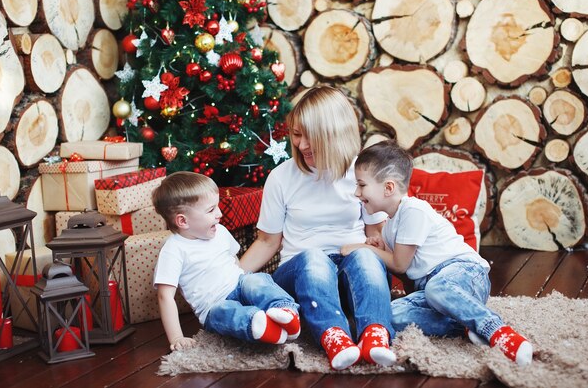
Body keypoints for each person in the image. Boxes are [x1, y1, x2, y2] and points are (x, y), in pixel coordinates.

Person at [239, 86, 396, 370]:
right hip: (301, 274)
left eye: (310, 136)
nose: (300, 145)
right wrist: (230, 279)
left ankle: (376, 334)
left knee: (364, 256)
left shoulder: (361, 174)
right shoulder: (281, 178)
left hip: (350, 273)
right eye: (296, 134)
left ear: (334, 133)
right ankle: (333, 336)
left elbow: (376, 235)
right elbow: (266, 242)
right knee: (314, 258)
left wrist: (382, 253)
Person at [343, 140, 534, 366]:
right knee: (389, 315)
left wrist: (363, 248)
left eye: (362, 185)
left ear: (388, 188)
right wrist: (380, 247)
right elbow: (407, 274)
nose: (356, 192)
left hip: (463, 274)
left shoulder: (413, 210)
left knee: (437, 288)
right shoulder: (390, 225)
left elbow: (400, 265)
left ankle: (496, 329)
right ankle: (464, 324)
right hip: (433, 291)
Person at [152, 171, 300, 352]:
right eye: (210, 210)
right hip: (213, 305)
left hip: (239, 285)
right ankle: (258, 324)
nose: (219, 214)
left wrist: (246, 285)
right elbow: (165, 296)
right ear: (183, 221)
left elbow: (234, 262)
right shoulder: (174, 250)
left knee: (256, 280)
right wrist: (176, 336)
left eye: (217, 206)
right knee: (226, 312)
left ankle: (286, 311)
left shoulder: (220, 231)